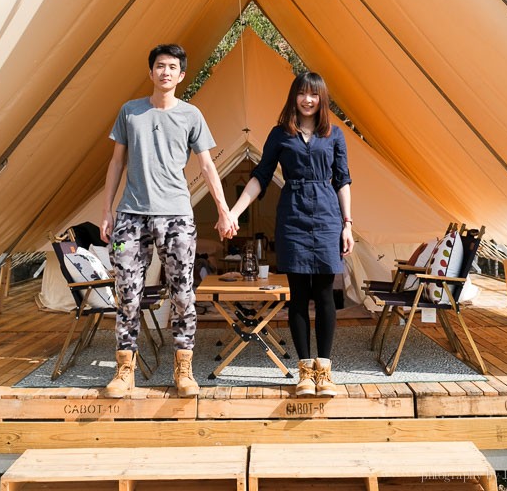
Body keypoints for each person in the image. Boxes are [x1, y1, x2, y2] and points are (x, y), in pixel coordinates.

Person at [100, 44, 237, 397]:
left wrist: (223, 209)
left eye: (171, 67)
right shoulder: (130, 112)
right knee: (127, 294)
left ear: (181, 75)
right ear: (151, 73)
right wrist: (107, 210)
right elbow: (116, 163)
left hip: (176, 214)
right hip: (132, 214)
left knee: (182, 294)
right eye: (159, 66)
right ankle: (124, 370)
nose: (165, 72)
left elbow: (207, 166)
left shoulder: (191, 115)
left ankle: (184, 368)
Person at [229, 71, 354, 397]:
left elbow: (342, 181)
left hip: (328, 219)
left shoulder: (335, 135)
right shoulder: (280, 134)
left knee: (325, 295)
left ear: (321, 99)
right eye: (302, 93)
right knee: (298, 296)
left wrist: (348, 224)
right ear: (294, 97)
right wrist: (235, 211)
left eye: (314, 94)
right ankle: (304, 371)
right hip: (293, 217)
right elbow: (260, 177)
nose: (308, 100)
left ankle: (324, 372)